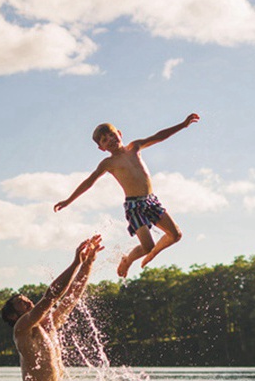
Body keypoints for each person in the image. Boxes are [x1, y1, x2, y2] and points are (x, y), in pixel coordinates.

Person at [54, 113, 199, 277]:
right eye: (104, 139)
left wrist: (182, 125)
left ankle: (151, 255)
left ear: (119, 134)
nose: (109, 139)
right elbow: (89, 182)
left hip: (151, 201)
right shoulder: (108, 163)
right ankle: (128, 260)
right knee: (148, 245)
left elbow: (158, 137)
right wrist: (68, 200)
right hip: (134, 206)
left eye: (111, 134)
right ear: (102, 148)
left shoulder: (135, 147)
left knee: (176, 235)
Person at [1, 234, 104, 381]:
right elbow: (51, 297)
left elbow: (72, 296)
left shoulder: (48, 326)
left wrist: (88, 264)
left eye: (26, 298)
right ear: (13, 316)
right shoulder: (22, 328)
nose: (27, 301)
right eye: (20, 302)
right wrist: (75, 263)